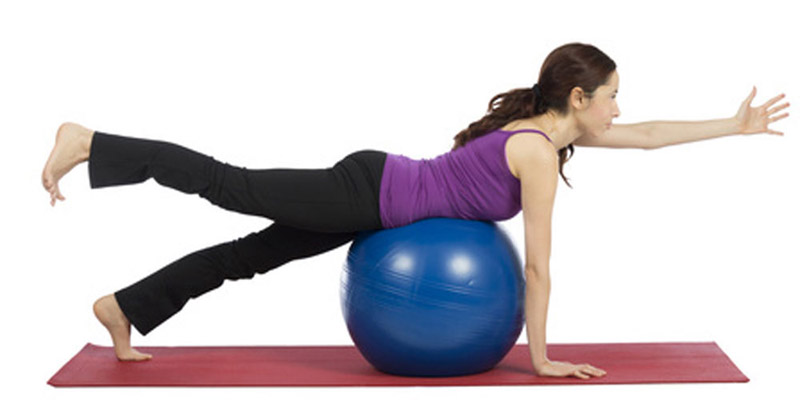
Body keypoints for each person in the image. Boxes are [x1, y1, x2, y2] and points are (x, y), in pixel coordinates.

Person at [41, 43, 789, 380]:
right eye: (615, 94)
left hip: (380, 207)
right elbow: (536, 264)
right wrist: (540, 358)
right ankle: (92, 141)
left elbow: (651, 137)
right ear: (580, 100)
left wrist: (734, 125)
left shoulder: (554, 132)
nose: (624, 109)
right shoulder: (535, 149)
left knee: (248, 257)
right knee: (226, 182)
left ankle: (124, 308)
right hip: (367, 193)